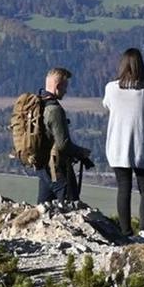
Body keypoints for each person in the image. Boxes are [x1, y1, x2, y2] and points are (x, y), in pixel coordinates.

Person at [102, 47, 144, 235]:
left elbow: (107, 105)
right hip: (141, 147)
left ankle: (125, 231)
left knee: (123, 188)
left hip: (118, 147)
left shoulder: (111, 88)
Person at [35, 66, 93, 204]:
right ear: (58, 85)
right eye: (65, 87)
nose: (66, 91)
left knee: (44, 207)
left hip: (42, 165)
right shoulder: (54, 110)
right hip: (57, 167)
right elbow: (62, 144)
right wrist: (82, 152)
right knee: (70, 204)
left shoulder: (39, 104)